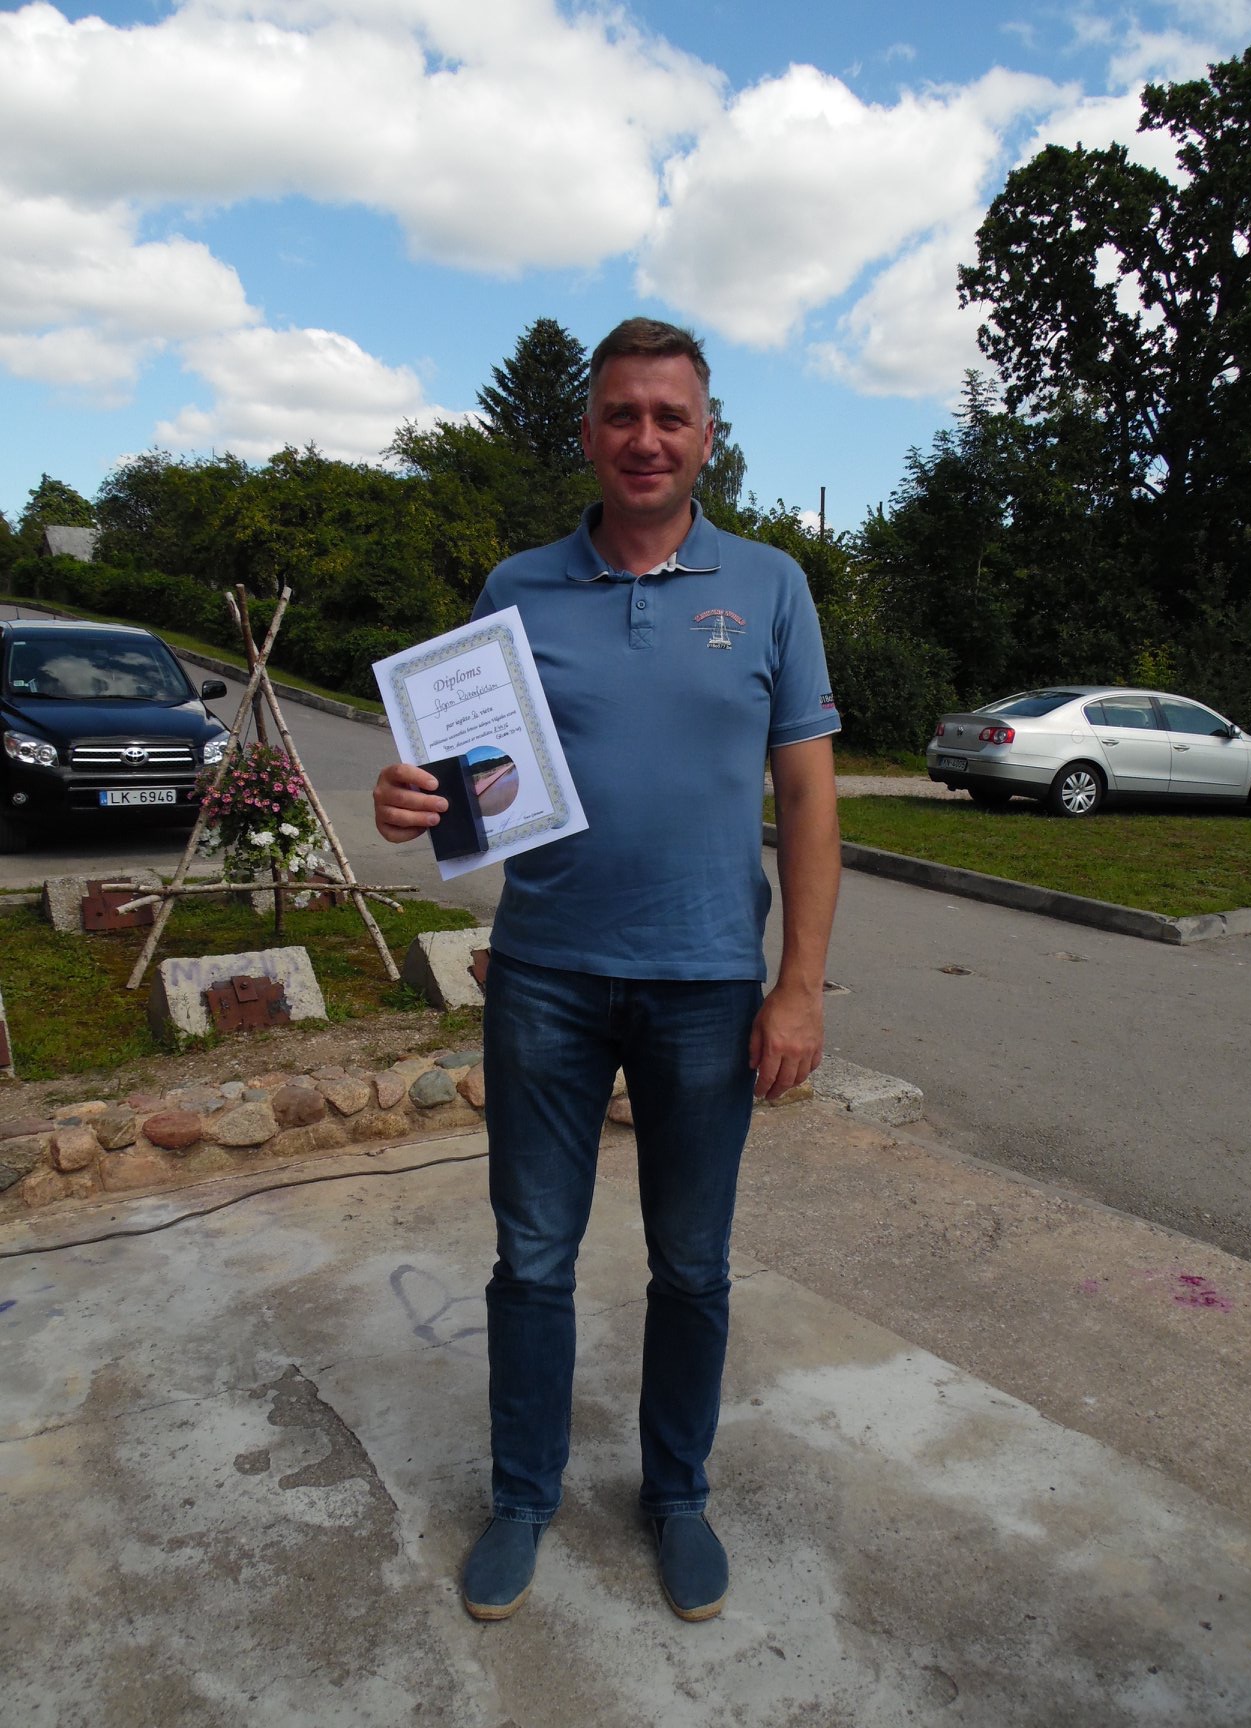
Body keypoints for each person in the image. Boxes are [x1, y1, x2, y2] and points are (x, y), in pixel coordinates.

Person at [373, 317, 841, 1623]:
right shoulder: (516, 589)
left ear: (707, 436)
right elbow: (462, 777)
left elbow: (810, 799)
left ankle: (676, 1494)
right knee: (532, 1258)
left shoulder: (771, 587)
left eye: (669, 416)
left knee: (692, 1264)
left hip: (707, 985)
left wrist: (799, 986)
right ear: (586, 435)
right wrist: (413, 802)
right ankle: (523, 1497)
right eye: (621, 415)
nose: (645, 438)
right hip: (546, 978)